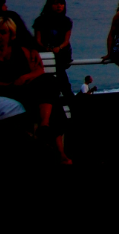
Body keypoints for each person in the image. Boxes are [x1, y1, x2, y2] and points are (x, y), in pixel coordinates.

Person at [0, 14, 70, 163]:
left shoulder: (21, 51)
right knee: (53, 102)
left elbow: (39, 70)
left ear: (11, 34)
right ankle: (60, 153)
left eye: (3, 32)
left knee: (48, 83)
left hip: (25, 90)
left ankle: (44, 125)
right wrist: (11, 84)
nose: (0, 36)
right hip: (7, 92)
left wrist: (25, 77)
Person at [33, 0, 74, 95]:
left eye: (61, 4)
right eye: (56, 4)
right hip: (45, 54)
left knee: (61, 79)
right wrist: (45, 48)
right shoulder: (40, 21)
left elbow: (66, 41)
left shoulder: (66, 21)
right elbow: (37, 40)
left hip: (61, 54)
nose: (59, 6)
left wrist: (58, 48)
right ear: (49, 5)